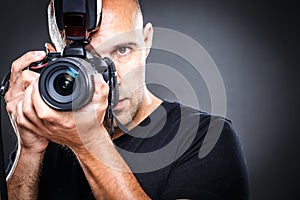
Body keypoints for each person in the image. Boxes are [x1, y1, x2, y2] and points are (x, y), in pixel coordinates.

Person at [4, 0, 249, 199]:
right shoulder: (48, 134)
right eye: (87, 59)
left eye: (122, 50)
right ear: (54, 59)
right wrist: (29, 150)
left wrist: (88, 142)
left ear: (147, 40)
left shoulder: (204, 138)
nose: (112, 78)